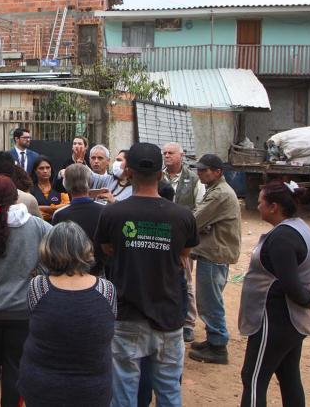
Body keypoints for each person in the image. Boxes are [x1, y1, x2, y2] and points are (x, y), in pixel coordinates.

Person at [97, 143, 198, 406]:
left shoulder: (112, 213)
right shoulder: (183, 216)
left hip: (127, 316)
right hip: (169, 316)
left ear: (128, 173)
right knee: (168, 393)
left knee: (123, 394)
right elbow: (183, 253)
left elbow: (107, 249)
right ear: (161, 174)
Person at [239, 182, 310, 407]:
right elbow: (304, 273)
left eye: (261, 202)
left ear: (273, 207)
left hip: (276, 318)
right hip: (293, 320)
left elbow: (290, 281)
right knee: (289, 375)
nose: (257, 206)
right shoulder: (300, 228)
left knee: (253, 378)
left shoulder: (282, 238)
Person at [0, 177, 51, 407]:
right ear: (17, 196)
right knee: (15, 368)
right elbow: (55, 255)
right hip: (22, 312)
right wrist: (39, 272)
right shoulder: (37, 226)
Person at [18, 222, 117, 407]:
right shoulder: (106, 289)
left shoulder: (38, 286)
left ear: (48, 250)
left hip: (42, 388)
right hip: (93, 390)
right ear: (85, 249)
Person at [189, 153, 242, 365]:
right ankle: (213, 338)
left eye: (204, 170)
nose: (200, 173)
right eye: (199, 169)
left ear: (218, 172)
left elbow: (195, 220)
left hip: (214, 253)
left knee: (210, 300)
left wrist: (201, 225)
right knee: (209, 297)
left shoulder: (219, 194)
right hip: (215, 252)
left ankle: (218, 345)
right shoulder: (217, 190)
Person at [162, 141, 206, 343]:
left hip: (183, 240)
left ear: (182, 156)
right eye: (164, 153)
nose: (167, 156)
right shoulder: (158, 176)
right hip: (160, 236)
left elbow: (201, 208)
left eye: (171, 153)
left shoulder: (193, 179)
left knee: (186, 281)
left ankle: (188, 323)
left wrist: (185, 227)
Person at [51, 163, 107, 276]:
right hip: (98, 274)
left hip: (68, 274)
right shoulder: (105, 210)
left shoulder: (59, 214)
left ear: (65, 184)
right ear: (90, 182)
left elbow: (56, 249)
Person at [29, 155, 65, 221]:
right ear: (35, 171)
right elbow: (29, 210)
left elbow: (65, 206)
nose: (45, 171)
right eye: (41, 168)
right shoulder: (30, 190)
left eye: (48, 167)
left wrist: (41, 208)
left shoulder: (59, 187)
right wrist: (54, 211)